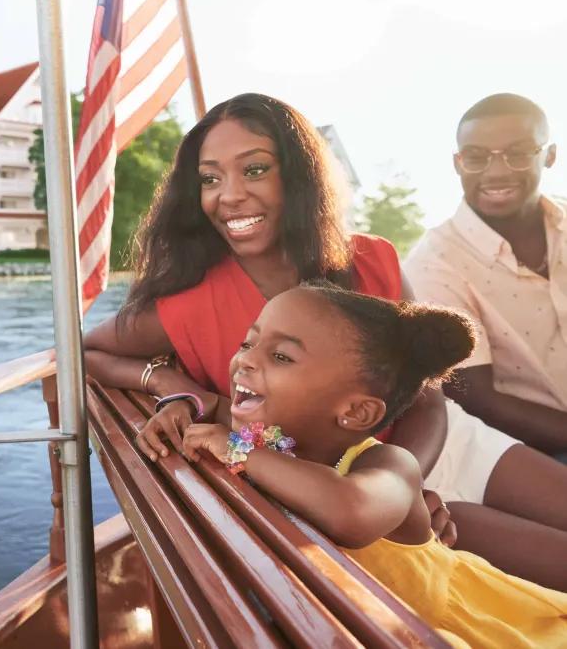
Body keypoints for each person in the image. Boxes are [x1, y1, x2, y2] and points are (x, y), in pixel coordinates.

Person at [83, 93, 567, 589]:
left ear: (298, 175)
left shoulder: (373, 260)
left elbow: (427, 398)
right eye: (210, 178)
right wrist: (164, 378)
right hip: (333, 486)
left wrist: (411, 484)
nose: (228, 195)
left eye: (254, 170)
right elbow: (87, 352)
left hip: (423, 454)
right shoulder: (185, 303)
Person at [179, 284, 567, 649]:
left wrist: (235, 449)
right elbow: (211, 405)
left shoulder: (389, 465)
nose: (245, 358)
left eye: (280, 356)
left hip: (454, 630)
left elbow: (350, 512)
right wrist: (180, 407)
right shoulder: (273, 444)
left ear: (356, 412)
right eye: (248, 342)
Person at [405, 93, 566, 459]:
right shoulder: (433, 264)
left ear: (550, 155)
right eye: (476, 157)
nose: (496, 172)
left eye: (519, 152)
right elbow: (479, 399)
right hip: (538, 453)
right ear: (458, 163)